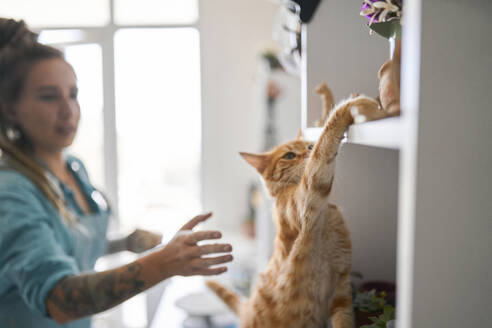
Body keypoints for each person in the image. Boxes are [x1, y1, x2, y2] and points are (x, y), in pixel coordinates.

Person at [0, 18, 233, 328]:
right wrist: (162, 264)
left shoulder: (72, 169)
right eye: (48, 96)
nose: (69, 110)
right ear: (10, 109)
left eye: (73, 94)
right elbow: (59, 299)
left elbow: (65, 244)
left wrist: (124, 243)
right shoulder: (12, 191)